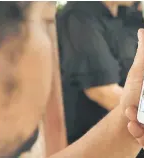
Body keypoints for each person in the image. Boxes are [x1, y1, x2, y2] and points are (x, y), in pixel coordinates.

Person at [0, 1, 144, 158]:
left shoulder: (130, 15)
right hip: (97, 122)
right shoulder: (79, 16)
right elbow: (101, 90)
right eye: (46, 21)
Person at [56, 1, 134, 145]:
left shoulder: (127, 14)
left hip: (131, 134)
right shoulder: (78, 16)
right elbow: (102, 91)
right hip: (99, 142)